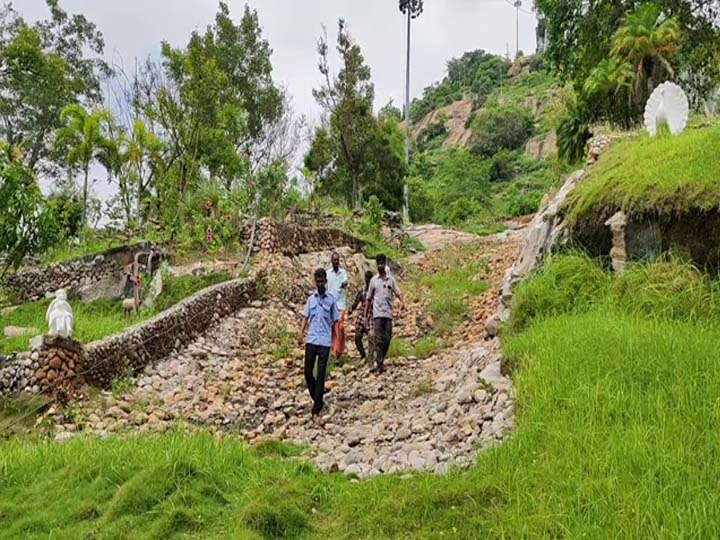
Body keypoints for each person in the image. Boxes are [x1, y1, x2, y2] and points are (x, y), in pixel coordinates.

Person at [298, 268, 340, 417]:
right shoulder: (311, 299)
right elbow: (305, 318)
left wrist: (337, 343)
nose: (320, 283)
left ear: (325, 281)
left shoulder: (331, 299)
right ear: (315, 282)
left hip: (324, 342)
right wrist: (301, 334)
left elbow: (335, 322)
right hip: (311, 340)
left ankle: (316, 408)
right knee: (308, 373)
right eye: (318, 281)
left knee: (321, 374)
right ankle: (317, 396)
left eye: (322, 281)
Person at [365, 254, 404, 374]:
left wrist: (402, 303)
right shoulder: (373, 281)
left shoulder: (390, 280)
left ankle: (380, 360)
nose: (380, 264)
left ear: (385, 263)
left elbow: (398, 292)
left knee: (387, 338)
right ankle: (379, 364)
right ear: (377, 264)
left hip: (388, 314)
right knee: (378, 339)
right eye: (379, 262)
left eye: (382, 262)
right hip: (377, 315)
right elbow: (368, 299)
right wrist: (366, 316)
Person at [349, 270, 375, 367]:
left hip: (372, 314)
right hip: (362, 315)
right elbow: (356, 301)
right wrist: (351, 309)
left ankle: (371, 356)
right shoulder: (362, 290)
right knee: (357, 336)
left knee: (371, 336)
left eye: (369, 279)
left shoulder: (375, 290)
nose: (368, 281)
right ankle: (363, 354)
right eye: (366, 278)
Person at [327, 251, 348, 358]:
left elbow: (345, 281)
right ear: (331, 261)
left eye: (337, 260)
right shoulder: (327, 274)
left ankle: (339, 350)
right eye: (334, 260)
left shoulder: (343, 273)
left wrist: (344, 284)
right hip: (330, 305)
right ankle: (334, 351)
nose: (336, 262)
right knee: (332, 328)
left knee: (339, 327)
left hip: (340, 305)